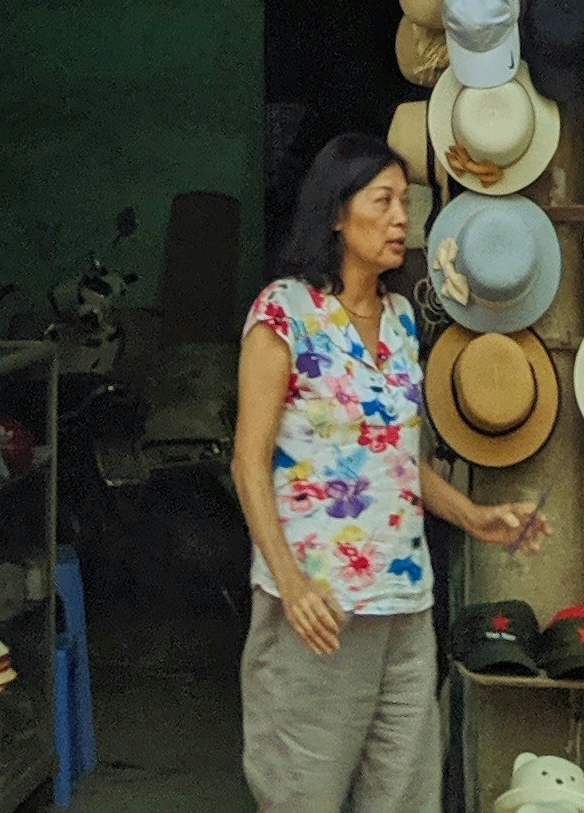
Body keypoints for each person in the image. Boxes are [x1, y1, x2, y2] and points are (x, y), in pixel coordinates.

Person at [232, 134, 546, 813]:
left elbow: (399, 460)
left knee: (405, 796)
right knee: (301, 795)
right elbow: (247, 462)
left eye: (407, 201)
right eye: (385, 201)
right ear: (338, 215)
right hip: (319, 607)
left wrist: (474, 516)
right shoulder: (284, 313)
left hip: (405, 604)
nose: (404, 218)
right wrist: (290, 583)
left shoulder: (403, 321)